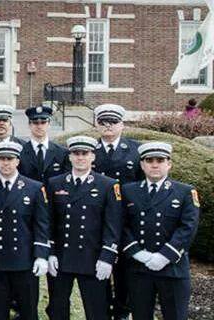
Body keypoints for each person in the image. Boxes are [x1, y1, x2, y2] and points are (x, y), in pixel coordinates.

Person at [44, 136, 123, 320]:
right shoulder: (55, 183)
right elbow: (48, 221)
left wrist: (107, 257)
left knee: (98, 310)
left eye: (85, 154)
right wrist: (51, 252)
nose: (80, 158)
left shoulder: (108, 185)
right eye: (76, 153)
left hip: (93, 258)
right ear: (69, 157)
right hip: (62, 257)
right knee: (57, 308)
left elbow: (113, 225)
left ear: (93, 157)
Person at [120, 142, 200, 320]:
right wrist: (137, 253)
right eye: (149, 160)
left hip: (173, 268)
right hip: (139, 268)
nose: (155, 164)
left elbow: (188, 227)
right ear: (142, 164)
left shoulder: (185, 191)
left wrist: (165, 256)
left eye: (160, 160)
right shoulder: (128, 191)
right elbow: (121, 225)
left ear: (169, 164)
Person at [0, 142, 50, 320]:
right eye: (1, 159)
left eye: (10, 159)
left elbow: (41, 223)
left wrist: (41, 255)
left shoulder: (34, 187)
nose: (6, 163)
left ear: (17, 161)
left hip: (24, 260)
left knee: (28, 310)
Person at [89, 104, 141, 320]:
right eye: (103, 122)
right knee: (97, 269)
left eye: (113, 122)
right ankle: (102, 311)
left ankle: (122, 311)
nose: (108, 126)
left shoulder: (136, 150)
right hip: (94, 220)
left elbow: (140, 186)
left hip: (126, 220)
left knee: (125, 272)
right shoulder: (88, 150)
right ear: (97, 125)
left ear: (122, 124)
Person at [19, 106, 70, 184]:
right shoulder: (20, 152)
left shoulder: (62, 153)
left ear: (49, 124)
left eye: (43, 122)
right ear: (29, 125)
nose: (39, 126)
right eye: (35, 123)